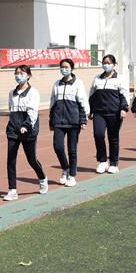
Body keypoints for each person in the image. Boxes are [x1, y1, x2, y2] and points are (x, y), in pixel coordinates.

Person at [3, 65, 48, 201]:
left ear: (28, 76)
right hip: (13, 130)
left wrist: (26, 126)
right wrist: (13, 125)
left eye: (22, 73)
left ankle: (42, 178)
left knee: (31, 160)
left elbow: (33, 112)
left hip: (28, 131)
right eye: (16, 73)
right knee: (11, 160)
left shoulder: (33, 93)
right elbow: (11, 110)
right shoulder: (12, 93)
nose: (18, 76)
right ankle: (12, 190)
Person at [50, 58, 89, 187]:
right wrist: (51, 120)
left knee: (72, 150)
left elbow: (82, 102)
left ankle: (72, 175)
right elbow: (52, 102)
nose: (64, 69)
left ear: (72, 68)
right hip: (58, 122)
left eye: (66, 67)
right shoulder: (57, 84)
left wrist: (83, 119)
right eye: (62, 67)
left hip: (73, 122)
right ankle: (65, 168)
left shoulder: (78, 83)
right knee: (58, 147)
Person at [88, 54, 129, 174]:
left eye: (109, 63)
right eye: (104, 63)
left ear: (114, 65)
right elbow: (92, 95)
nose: (106, 65)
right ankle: (102, 161)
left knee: (113, 137)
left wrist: (124, 109)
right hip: (99, 113)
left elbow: (124, 95)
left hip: (114, 113)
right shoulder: (97, 78)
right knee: (98, 135)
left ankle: (113, 163)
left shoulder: (120, 78)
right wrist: (91, 110)